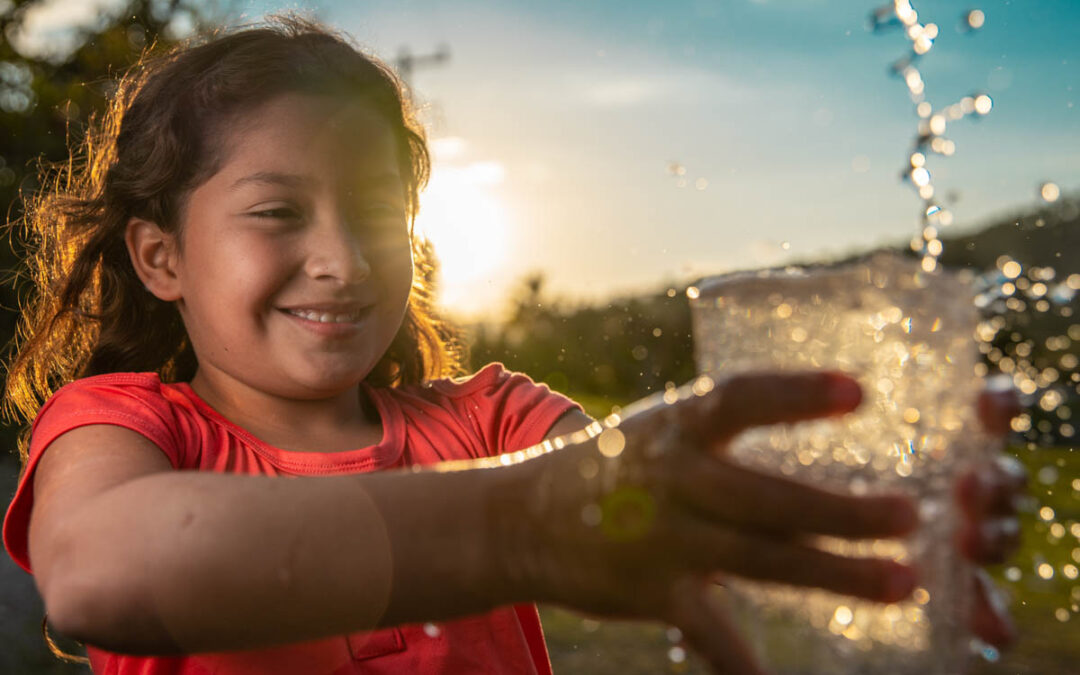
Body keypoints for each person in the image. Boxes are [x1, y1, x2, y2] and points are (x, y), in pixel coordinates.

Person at [2, 15, 1025, 675]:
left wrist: (863, 500)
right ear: (159, 257)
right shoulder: (131, 425)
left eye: (376, 214)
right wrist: (526, 526)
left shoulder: (490, 420)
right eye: (277, 213)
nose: (343, 260)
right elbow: (99, 572)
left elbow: (643, 493)